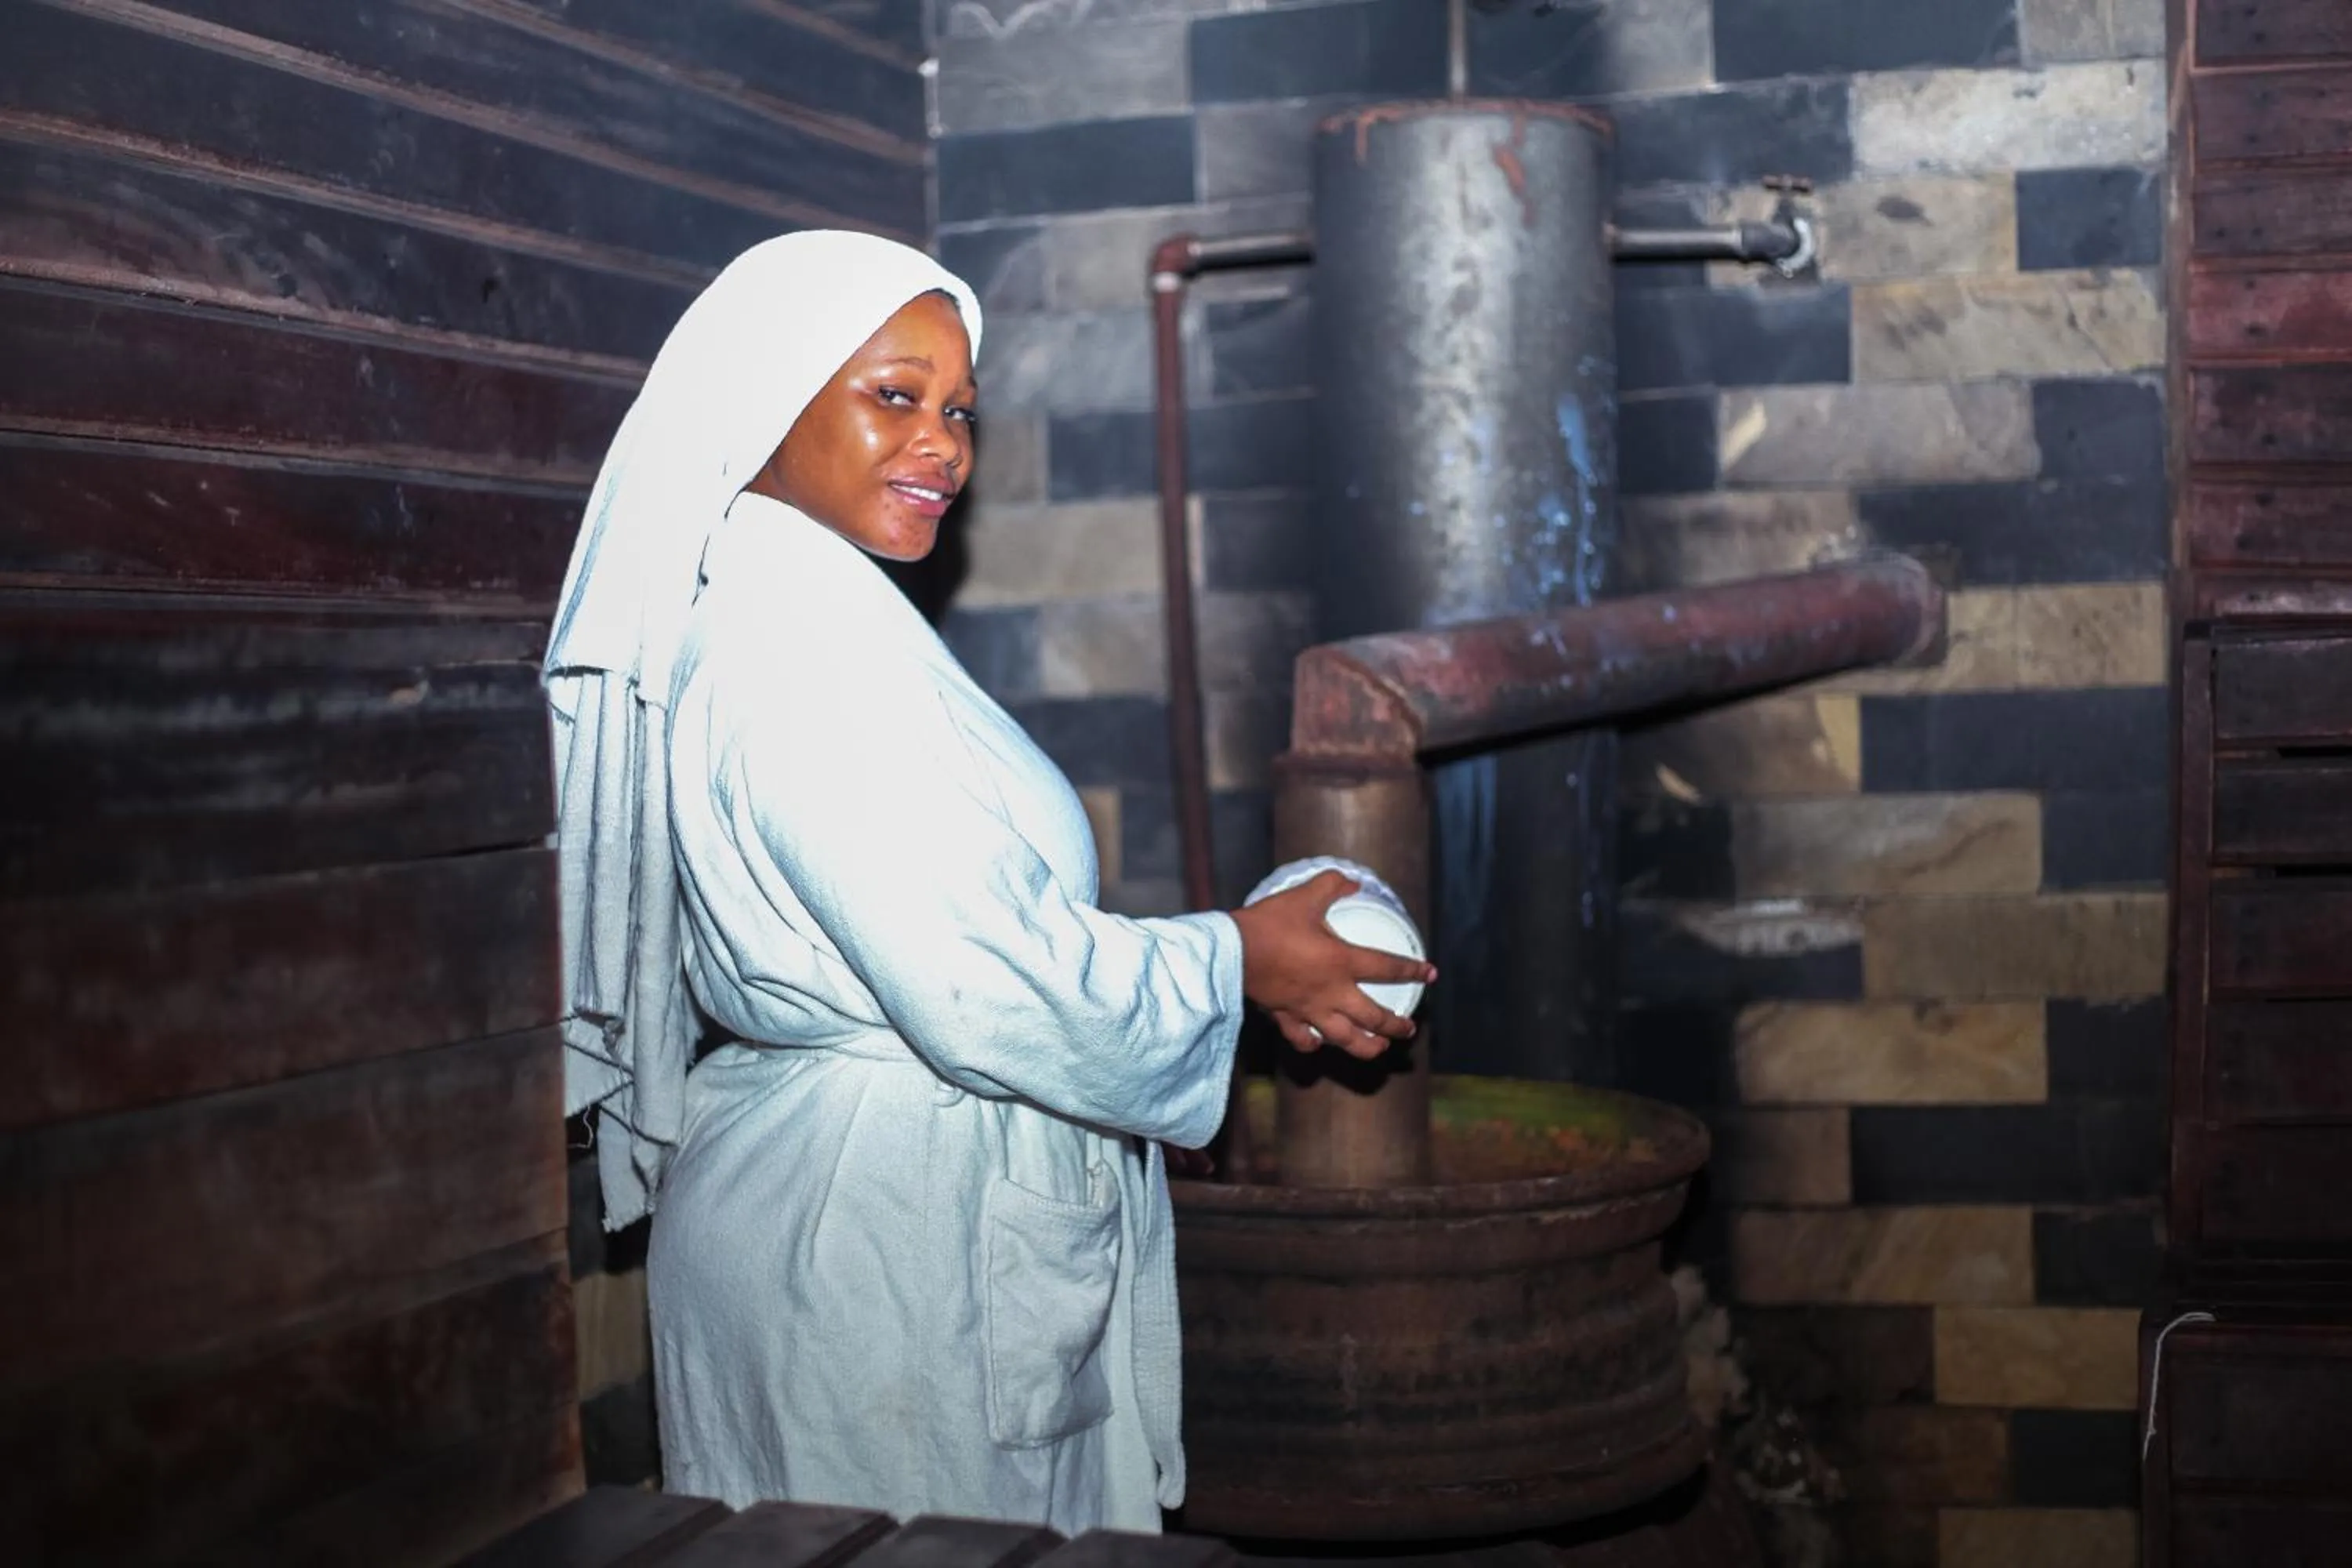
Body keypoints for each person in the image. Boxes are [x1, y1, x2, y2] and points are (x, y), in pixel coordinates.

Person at [543, 230, 1435, 1535]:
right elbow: (983, 977)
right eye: (894, 395)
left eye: (960, 409)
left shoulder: (814, 608)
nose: (946, 444)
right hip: (867, 1252)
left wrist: (1238, 962)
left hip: (888, 1217)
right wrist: (1241, 960)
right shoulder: (793, 649)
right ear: (767, 398)